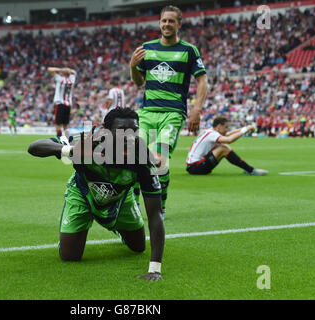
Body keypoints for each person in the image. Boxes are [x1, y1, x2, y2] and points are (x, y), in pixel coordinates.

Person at [28, 108, 165, 281]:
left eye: (134, 131)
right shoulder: (86, 140)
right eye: (122, 131)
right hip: (83, 195)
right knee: (70, 256)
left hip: (120, 199)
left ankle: (116, 225)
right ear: (106, 131)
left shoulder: (143, 158)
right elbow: (34, 147)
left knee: (138, 247)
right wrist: (71, 151)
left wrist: (155, 269)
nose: (129, 137)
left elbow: (155, 214)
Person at [129, 5, 208, 219]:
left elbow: (202, 80)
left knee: (159, 161)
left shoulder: (189, 50)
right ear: (159, 23)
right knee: (136, 160)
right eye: (164, 21)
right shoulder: (147, 48)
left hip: (173, 113)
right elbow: (139, 82)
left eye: (171, 21)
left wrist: (196, 109)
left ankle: (160, 204)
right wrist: (132, 66)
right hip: (146, 114)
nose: (167, 24)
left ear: (179, 24)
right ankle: (133, 205)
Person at [186, 116, 268, 176]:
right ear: (219, 126)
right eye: (225, 127)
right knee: (223, 148)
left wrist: (245, 128)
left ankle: (248, 169)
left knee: (223, 147)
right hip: (195, 167)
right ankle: (251, 170)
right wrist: (245, 130)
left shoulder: (209, 131)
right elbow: (229, 140)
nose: (227, 129)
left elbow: (228, 134)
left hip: (193, 166)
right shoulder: (212, 134)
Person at [47, 67, 77, 137]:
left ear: (63, 73)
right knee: (66, 125)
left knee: (58, 124)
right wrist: (67, 70)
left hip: (60, 103)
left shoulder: (60, 79)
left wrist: (60, 69)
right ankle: (68, 139)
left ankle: (59, 139)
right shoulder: (72, 79)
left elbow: (49, 69)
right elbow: (74, 72)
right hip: (68, 104)